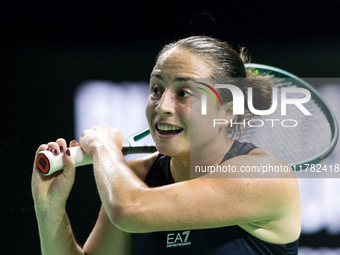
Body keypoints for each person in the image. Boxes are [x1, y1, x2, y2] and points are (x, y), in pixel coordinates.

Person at [32, 36, 301, 254]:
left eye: (184, 93)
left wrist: (104, 147)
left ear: (227, 110)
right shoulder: (137, 178)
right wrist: (49, 209)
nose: (162, 107)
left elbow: (129, 209)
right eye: (156, 89)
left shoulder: (263, 176)